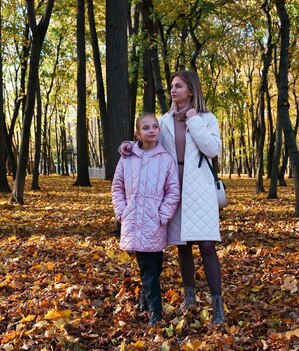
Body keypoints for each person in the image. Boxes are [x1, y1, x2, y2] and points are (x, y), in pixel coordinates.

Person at [120, 70, 226, 325]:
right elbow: (151, 144)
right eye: (171, 86)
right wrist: (128, 147)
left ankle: (217, 304)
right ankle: (189, 298)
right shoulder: (165, 121)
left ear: (191, 89)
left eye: (178, 86)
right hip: (173, 188)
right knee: (183, 246)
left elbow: (212, 149)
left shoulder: (207, 118)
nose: (172, 90)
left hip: (199, 188)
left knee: (208, 246)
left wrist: (192, 119)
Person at [112, 113, 180, 326]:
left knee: (154, 267)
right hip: (134, 221)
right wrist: (122, 212)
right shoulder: (127, 158)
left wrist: (162, 215)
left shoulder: (166, 159)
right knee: (149, 269)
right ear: (137, 134)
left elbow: (173, 191)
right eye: (146, 128)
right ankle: (155, 313)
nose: (151, 130)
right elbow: (117, 186)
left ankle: (143, 300)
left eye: (154, 127)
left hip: (155, 222)